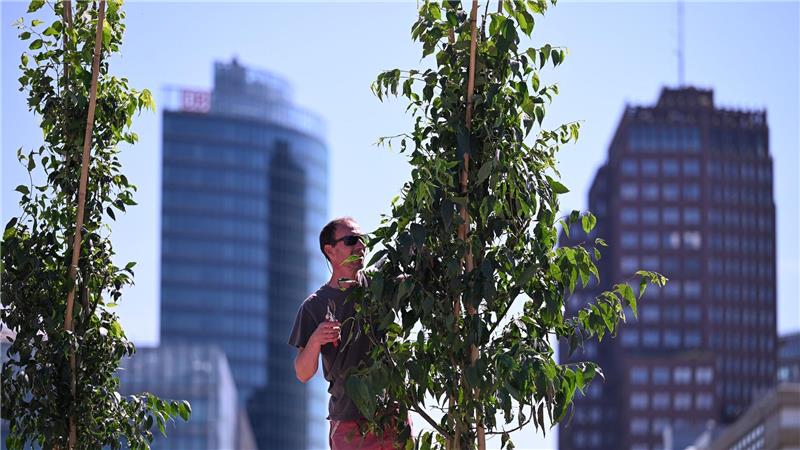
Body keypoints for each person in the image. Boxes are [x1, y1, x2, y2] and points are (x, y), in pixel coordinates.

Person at [288, 217, 402, 450]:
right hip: (349, 423)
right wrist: (315, 340)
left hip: (392, 415)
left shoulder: (380, 285)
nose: (360, 246)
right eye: (351, 240)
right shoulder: (314, 307)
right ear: (330, 250)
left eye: (362, 240)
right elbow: (302, 372)